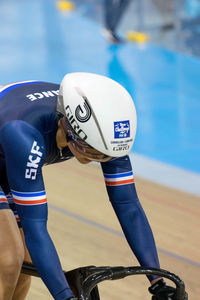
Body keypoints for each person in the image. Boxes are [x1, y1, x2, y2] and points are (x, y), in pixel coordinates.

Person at [0, 73, 186, 300]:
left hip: (8, 157)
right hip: (12, 139)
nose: (95, 159)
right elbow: (35, 227)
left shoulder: (105, 134)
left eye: (103, 156)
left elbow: (128, 205)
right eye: (90, 151)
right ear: (68, 127)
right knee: (9, 260)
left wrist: (158, 282)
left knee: (26, 263)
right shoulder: (24, 134)